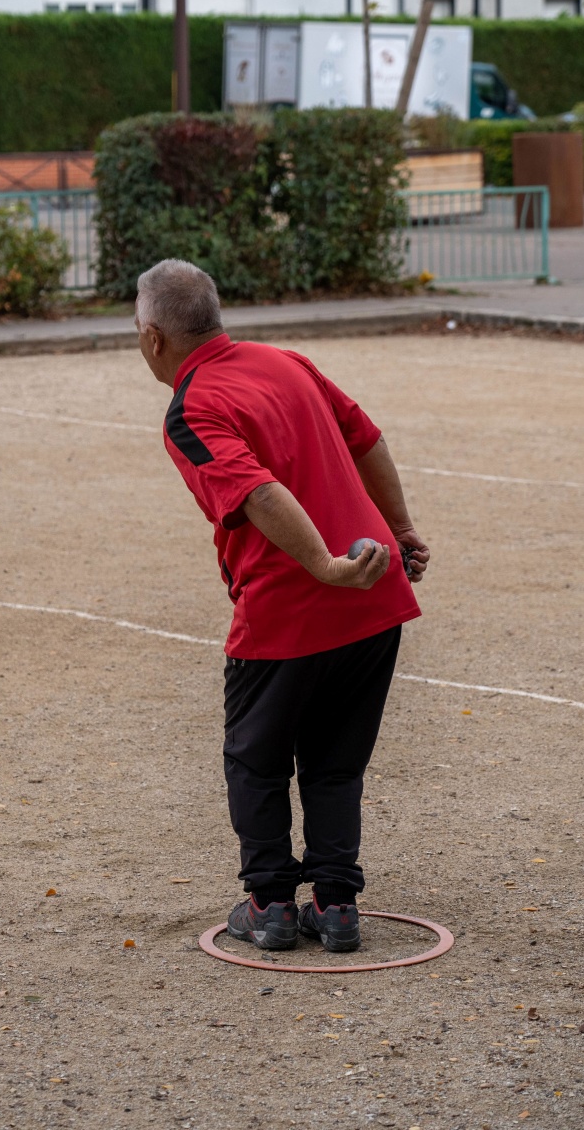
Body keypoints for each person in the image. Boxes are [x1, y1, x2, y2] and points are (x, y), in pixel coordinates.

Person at [135, 259, 429, 953]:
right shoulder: (286, 361)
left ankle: (269, 906)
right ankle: (336, 910)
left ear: (153, 338)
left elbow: (257, 493)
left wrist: (327, 568)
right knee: (334, 763)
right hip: (375, 598)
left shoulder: (191, 406)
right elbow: (366, 436)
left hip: (289, 612)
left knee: (255, 760)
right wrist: (401, 529)